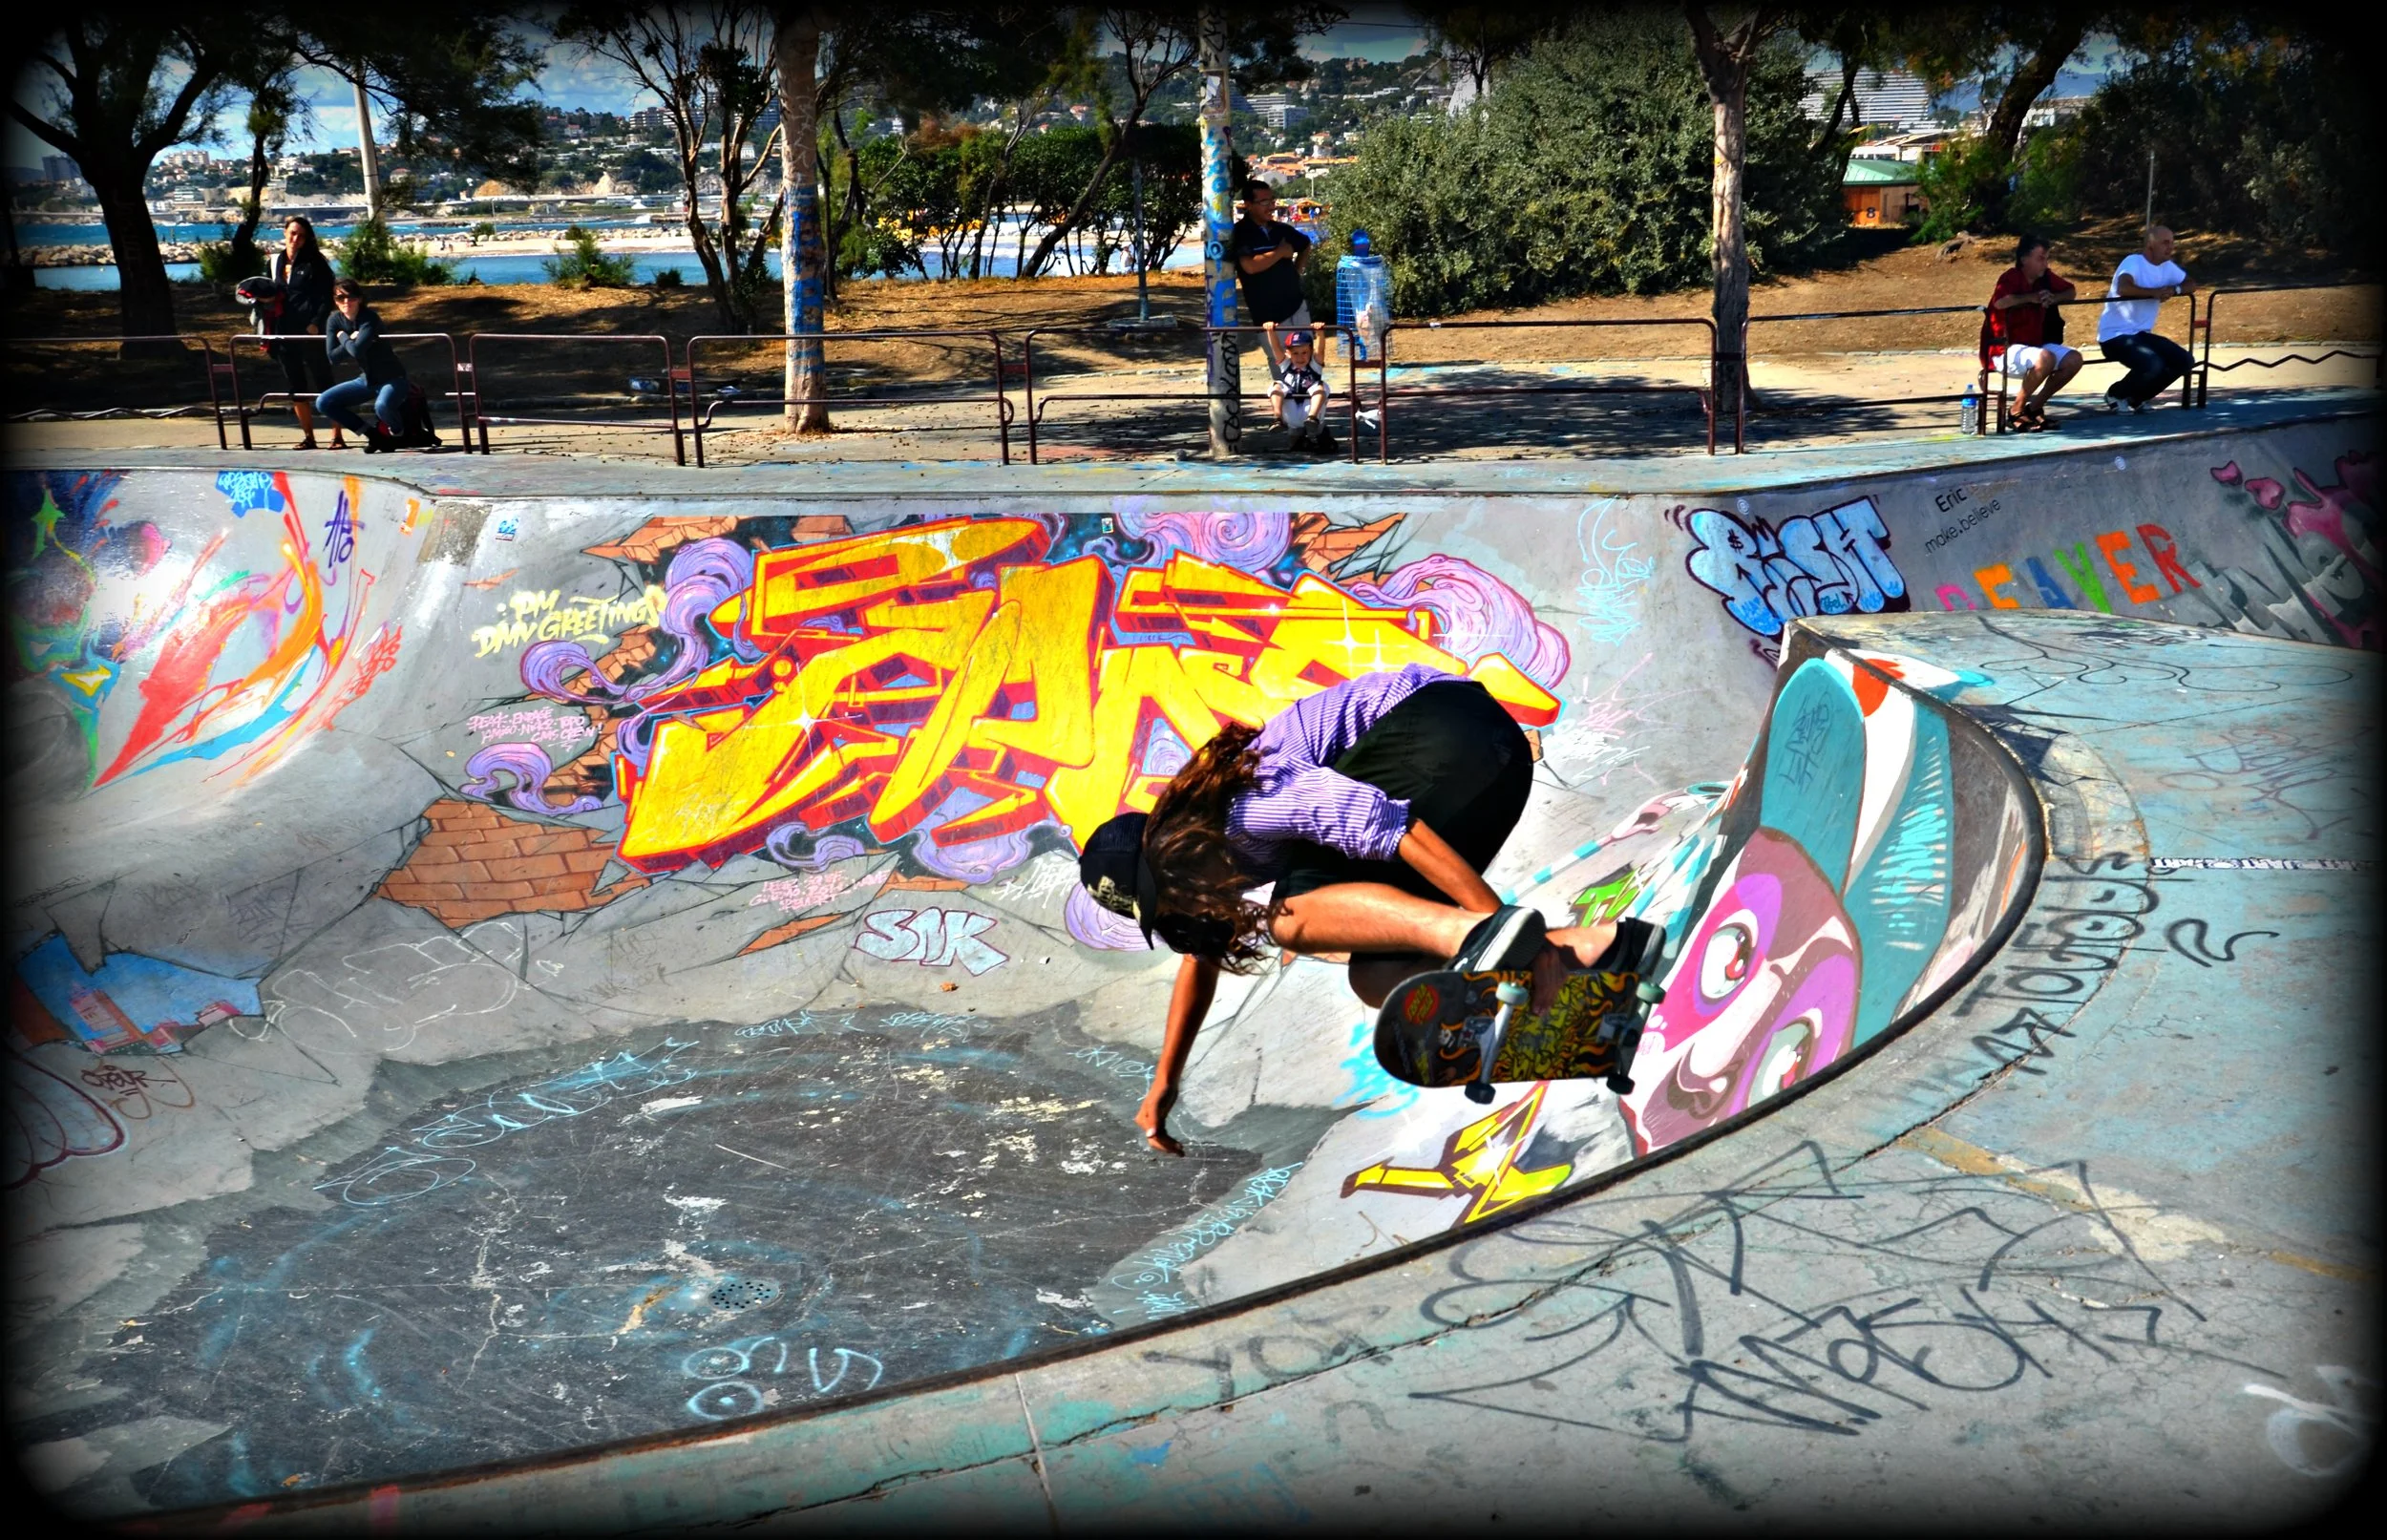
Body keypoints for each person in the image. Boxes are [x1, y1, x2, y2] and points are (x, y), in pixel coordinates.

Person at [1075, 663, 1664, 1155]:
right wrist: (1164, 1083)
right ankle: (1601, 949)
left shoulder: (1244, 808)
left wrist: (1499, 932)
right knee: (1377, 974)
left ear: (1172, 853)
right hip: (1492, 768)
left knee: (1291, 919)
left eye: (1171, 894)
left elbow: (1385, 823)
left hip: (1440, 727)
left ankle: (1495, 944)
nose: (1184, 910)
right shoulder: (1205, 867)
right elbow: (1197, 959)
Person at [1979, 234, 2081, 432]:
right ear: (2024, 259)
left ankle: (2034, 408)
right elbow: (2001, 302)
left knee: (2074, 359)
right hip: (2003, 350)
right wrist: (2031, 298)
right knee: (2046, 358)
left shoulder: (2046, 278)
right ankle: (2015, 410)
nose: (2045, 263)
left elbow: (2071, 292)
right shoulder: (2010, 277)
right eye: (2041, 258)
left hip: (2034, 346)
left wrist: (2053, 297)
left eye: (2047, 258)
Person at [2098, 224, 2195, 411]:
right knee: (2153, 363)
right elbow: (2123, 288)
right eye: (2165, 243)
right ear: (2150, 245)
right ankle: (2115, 394)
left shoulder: (2167, 267)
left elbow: (2191, 284)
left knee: (2184, 361)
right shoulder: (2133, 262)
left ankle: (2137, 398)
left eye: (2172, 243)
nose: (2170, 247)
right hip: (2114, 336)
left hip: (2142, 335)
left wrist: (2175, 290)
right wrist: (2154, 293)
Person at [272, 217, 343, 450]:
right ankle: (308, 436)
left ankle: (337, 435)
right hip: (284, 330)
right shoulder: (276, 261)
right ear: (284, 233)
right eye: (292, 233)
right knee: (296, 384)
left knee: (324, 379)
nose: (295, 239)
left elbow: (326, 297)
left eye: (301, 235)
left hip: (310, 331)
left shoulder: (315, 263)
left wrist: (315, 323)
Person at [317, 281, 413, 450]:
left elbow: (357, 352)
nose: (346, 301)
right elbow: (333, 357)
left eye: (351, 297)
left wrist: (343, 337)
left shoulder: (369, 318)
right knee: (324, 402)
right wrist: (349, 339)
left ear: (359, 299)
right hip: (367, 379)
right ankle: (374, 435)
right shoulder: (334, 320)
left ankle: (398, 434)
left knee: (382, 406)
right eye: (340, 297)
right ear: (335, 300)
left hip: (392, 377)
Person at [1231, 179, 1314, 367]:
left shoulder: (1281, 229)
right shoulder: (1242, 232)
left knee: (1306, 360)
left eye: (1272, 201)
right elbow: (1250, 266)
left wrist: (1296, 271)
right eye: (1264, 202)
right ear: (1248, 205)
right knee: (1282, 363)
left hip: (1297, 306)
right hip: (1269, 314)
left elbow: (1305, 244)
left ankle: (1309, 395)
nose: (1271, 207)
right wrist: (1280, 253)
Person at [1265, 327, 1335, 454]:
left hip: (1310, 410)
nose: (1300, 357)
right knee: (1276, 385)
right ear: (1288, 353)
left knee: (1321, 385)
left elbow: (1321, 349)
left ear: (1311, 352)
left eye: (1304, 352)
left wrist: (1319, 332)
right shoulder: (1286, 365)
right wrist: (1270, 331)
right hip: (1291, 412)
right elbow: (1275, 348)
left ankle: (1313, 420)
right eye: (1295, 353)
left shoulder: (1315, 366)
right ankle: (1278, 418)